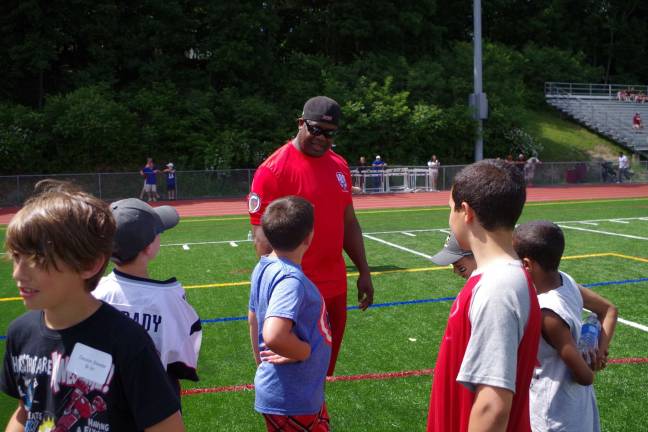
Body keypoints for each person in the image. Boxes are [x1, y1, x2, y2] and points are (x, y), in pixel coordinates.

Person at [0, 180, 184, 432]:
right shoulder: (20, 334)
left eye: (38, 259)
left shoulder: (128, 343)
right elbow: (25, 413)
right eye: (16, 257)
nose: (18, 274)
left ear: (90, 264)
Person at [248, 95, 374, 376]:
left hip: (335, 288)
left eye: (329, 133)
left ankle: (315, 417)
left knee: (323, 371)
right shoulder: (272, 171)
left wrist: (364, 271)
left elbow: (349, 222)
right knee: (292, 374)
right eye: (316, 129)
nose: (322, 138)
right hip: (297, 295)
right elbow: (262, 243)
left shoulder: (339, 165)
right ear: (301, 123)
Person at [427, 159, 541, 432]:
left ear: (466, 212)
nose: (449, 215)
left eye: (450, 208)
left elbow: (492, 406)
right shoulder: (498, 279)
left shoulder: (498, 288)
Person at [512, 221, 618, 432]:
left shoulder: (548, 314)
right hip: (578, 407)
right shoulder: (565, 280)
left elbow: (585, 377)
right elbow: (609, 310)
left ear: (526, 264)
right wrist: (599, 350)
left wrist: (592, 364)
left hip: (556, 415)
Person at [93, 198, 202, 398]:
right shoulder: (169, 298)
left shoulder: (94, 293)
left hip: (105, 401)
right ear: (148, 247)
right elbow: (184, 361)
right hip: (158, 400)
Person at [248, 196, 332, 431]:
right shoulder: (290, 280)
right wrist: (304, 351)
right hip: (294, 397)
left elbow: (253, 319)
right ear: (309, 237)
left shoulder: (263, 266)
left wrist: (260, 364)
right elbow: (274, 335)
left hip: (289, 392)